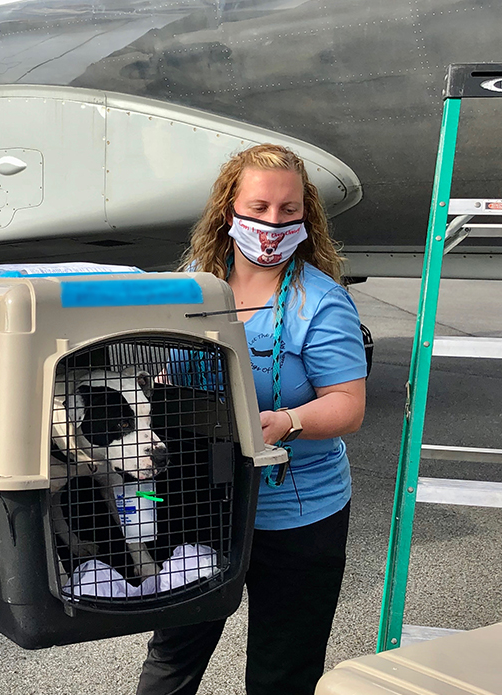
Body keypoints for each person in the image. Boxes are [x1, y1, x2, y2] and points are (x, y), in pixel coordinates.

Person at [137, 144, 367, 695]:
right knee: (173, 659)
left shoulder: (321, 302)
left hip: (296, 514)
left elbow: (348, 404)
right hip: (200, 507)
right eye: (259, 207)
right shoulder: (193, 285)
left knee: (280, 672)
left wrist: (285, 421)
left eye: (289, 211)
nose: (272, 223)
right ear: (228, 211)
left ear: (305, 216)